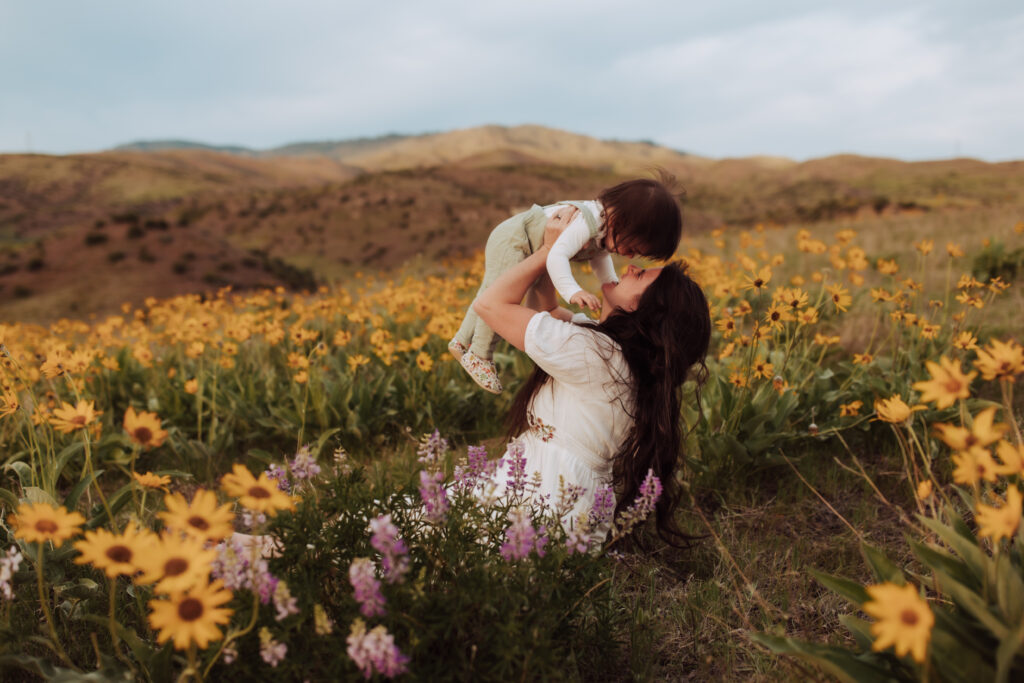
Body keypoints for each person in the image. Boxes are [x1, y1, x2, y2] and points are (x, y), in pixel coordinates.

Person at [472, 210, 711, 547]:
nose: (629, 266)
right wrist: (552, 248)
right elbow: (550, 314)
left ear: (640, 310)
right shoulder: (613, 354)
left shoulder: (595, 354)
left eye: (640, 275)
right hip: (567, 498)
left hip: (547, 496)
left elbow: (490, 305)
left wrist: (546, 254)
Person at [450, 176, 683, 394]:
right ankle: (480, 354)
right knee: (493, 291)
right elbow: (557, 255)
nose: (630, 259)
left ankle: (461, 341)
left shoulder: (603, 231)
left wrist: (608, 282)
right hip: (515, 240)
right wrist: (573, 291)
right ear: (621, 221)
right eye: (631, 249)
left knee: (490, 289)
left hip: (525, 242)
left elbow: (600, 258)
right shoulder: (585, 222)